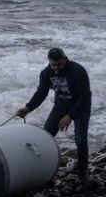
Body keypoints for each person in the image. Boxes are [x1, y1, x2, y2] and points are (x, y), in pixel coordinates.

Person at [16, 47, 92, 186]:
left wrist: (70, 116)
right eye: (53, 65)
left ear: (65, 59)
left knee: (80, 140)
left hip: (81, 107)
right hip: (61, 105)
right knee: (46, 135)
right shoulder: (46, 73)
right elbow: (41, 93)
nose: (56, 68)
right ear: (49, 62)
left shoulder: (78, 71)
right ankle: (44, 168)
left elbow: (85, 97)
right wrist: (28, 108)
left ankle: (82, 170)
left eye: (59, 64)